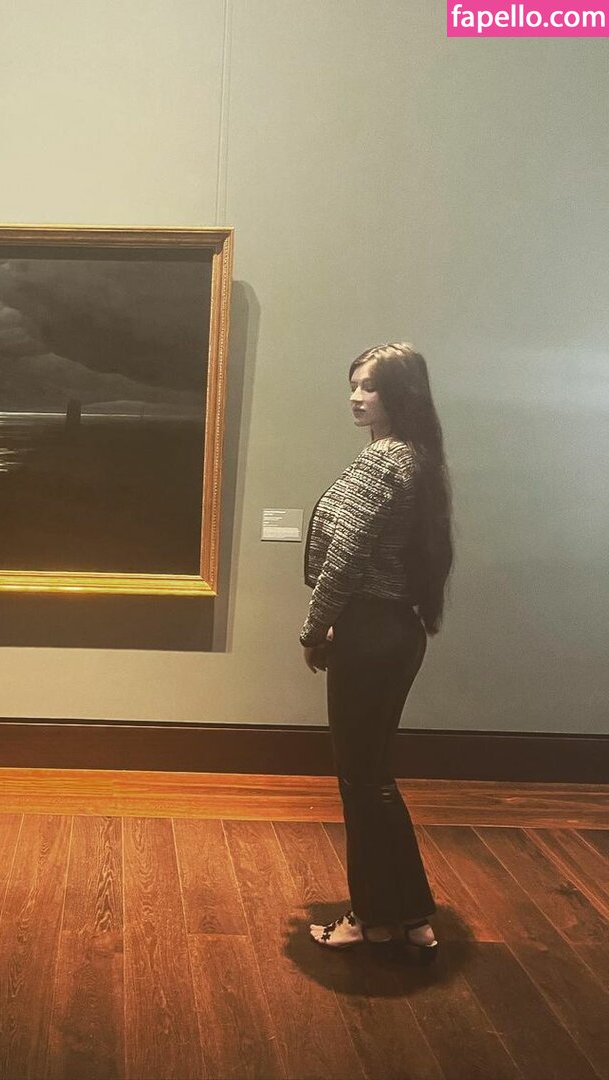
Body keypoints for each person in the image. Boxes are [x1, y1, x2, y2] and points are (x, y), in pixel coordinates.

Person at [300, 342, 453, 962]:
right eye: (354, 384)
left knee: (361, 781)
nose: (356, 397)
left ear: (400, 394)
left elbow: (344, 559)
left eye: (370, 386)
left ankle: (371, 917)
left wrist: (314, 630)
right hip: (397, 631)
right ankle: (407, 917)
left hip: (367, 631)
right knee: (374, 778)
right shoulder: (417, 458)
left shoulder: (382, 462)